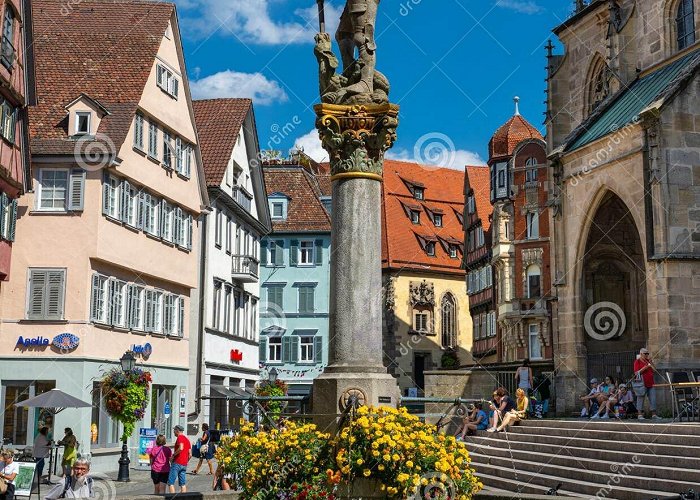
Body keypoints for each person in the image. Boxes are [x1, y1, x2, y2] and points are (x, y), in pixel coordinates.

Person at [634, 347, 661, 420]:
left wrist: (651, 364)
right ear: (641, 354)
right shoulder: (637, 361)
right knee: (640, 398)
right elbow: (636, 373)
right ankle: (639, 415)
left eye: (647, 353)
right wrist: (646, 367)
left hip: (651, 383)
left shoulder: (648, 361)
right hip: (642, 383)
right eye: (645, 353)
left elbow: (655, 370)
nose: (647, 355)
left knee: (653, 399)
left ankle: (654, 415)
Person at [167, 425, 191, 493]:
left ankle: (173, 497)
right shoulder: (187, 439)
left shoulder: (180, 437)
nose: (173, 432)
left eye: (174, 430)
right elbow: (190, 454)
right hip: (184, 464)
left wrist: (173, 455)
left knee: (170, 482)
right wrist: (186, 461)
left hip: (177, 463)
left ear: (177, 431)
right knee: (182, 484)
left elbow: (181, 448)